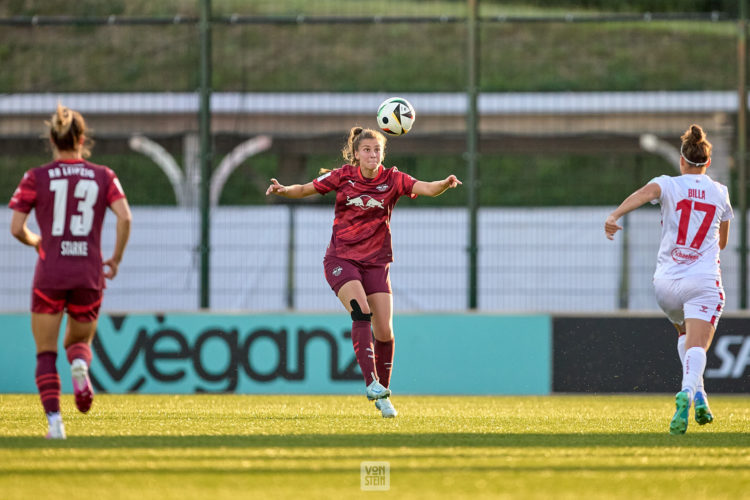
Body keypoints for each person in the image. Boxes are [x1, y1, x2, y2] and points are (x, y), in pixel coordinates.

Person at [266, 126, 461, 418]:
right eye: (367, 150)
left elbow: (428, 188)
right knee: (361, 312)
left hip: (376, 263)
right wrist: (284, 190)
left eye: (377, 150)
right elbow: (305, 189)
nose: (372, 155)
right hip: (341, 259)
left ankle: (383, 394)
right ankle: (370, 383)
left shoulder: (393, 179)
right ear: (357, 154)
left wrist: (445, 183)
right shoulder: (342, 176)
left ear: (383, 154)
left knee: (384, 331)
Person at [8, 103, 132, 439]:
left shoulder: (36, 177)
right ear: (82, 139)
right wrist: (116, 258)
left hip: (51, 273)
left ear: (52, 139)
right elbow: (125, 217)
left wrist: (37, 241)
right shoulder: (104, 176)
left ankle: (55, 425)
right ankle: (79, 365)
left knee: (46, 352)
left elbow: (16, 228)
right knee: (78, 341)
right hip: (88, 273)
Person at [604, 124, 732, 435]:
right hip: (702, 280)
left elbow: (642, 195)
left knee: (684, 335)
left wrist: (614, 216)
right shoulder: (719, 192)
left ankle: (700, 394)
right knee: (699, 345)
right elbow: (723, 241)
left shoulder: (667, 184)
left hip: (666, 285)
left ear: (681, 160)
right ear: (708, 163)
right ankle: (688, 395)